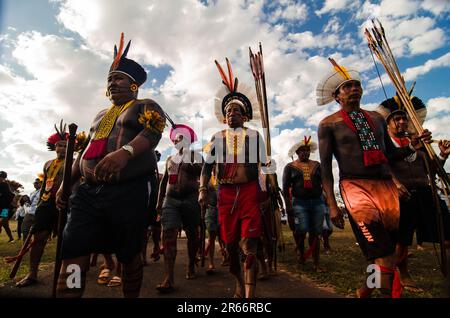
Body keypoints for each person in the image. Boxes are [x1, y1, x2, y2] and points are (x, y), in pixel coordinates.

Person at [55, 33, 166, 298]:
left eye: (118, 78)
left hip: (129, 191)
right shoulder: (99, 116)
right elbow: (84, 152)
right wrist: (66, 183)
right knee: (73, 249)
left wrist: (125, 153)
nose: (112, 83)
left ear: (134, 85)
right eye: (109, 79)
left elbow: (153, 133)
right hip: (88, 193)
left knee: (129, 254)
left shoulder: (145, 105)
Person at [316, 58, 432, 298]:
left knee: (380, 252)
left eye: (357, 85)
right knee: (386, 254)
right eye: (347, 86)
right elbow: (326, 168)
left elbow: (390, 154)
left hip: (385, 187)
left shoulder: (377, 119)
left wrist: (413, 146)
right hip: (355, 188)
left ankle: (364, 291)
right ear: (337, 95)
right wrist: (332, 204)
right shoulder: (328, 125)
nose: (354, 89)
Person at [198, 58, 270, 298]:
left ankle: (249, 294)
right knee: (229, 245)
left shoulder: (254, 135)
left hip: (249, 191)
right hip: (225, 194)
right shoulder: (216, 137)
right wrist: (201, 189)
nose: (232, 114)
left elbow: (265, 165)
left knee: (249, 243)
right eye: (228, 111)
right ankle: (238, 281)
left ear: (244, 116)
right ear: (224, 116)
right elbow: (207, 169)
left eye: (237, 111)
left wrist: (267, 189)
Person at [376, 95, 450, 290]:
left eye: (404, 118)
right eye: (396, 119)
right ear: (387, 124)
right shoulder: (385, 144)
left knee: (446, 234)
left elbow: (431, 170)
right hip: (401, 196)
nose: (401, 122)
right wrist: (395, 184)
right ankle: (404, 274)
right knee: (402, 241)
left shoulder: (418, 141)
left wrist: (442, 155)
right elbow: (382, 167)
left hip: (426, 191)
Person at [15, 123, 68, 287]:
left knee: (67, 240)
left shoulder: (75, 162)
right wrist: (40, 204)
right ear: (54, 146)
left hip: (67, 204)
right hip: (45, 205)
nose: (61, 148)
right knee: (38, 239)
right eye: (59, 145)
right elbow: (45, 184)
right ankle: (32, 274)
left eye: (65, 146)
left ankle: (67, 274)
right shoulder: (47, 164)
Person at [156, 124, 203, 293]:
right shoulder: (170, 159)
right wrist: (158, 202)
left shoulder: (196, 156)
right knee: (168, 235)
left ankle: (191, 263)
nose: (177, 140)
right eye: (175, 139)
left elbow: (201, 173)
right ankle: (168, 278)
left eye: (181, 138)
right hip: (171, 201)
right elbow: (164, 182)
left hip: (190, 199)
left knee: (193, 235)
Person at [283, 136, 326, 272]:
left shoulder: (317, 165)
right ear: (297, 152)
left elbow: (324, 183)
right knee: (300, 231)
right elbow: (285, 188)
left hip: (317, 202)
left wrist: (329, 201)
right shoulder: (290, 167)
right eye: (302, 151)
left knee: (315, 232)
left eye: (307, 150)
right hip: (299, 203)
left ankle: (316, 262)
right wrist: (288, 206)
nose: (305, 153)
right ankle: (301, 255)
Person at [0, 171, 15, 242]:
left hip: (4, 209)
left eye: (1, 177)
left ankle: (11, 238)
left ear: (4, 178)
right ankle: (11, 238)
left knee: (1, 223)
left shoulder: (5, 185)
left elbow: (11, 195)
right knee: (5, 225)